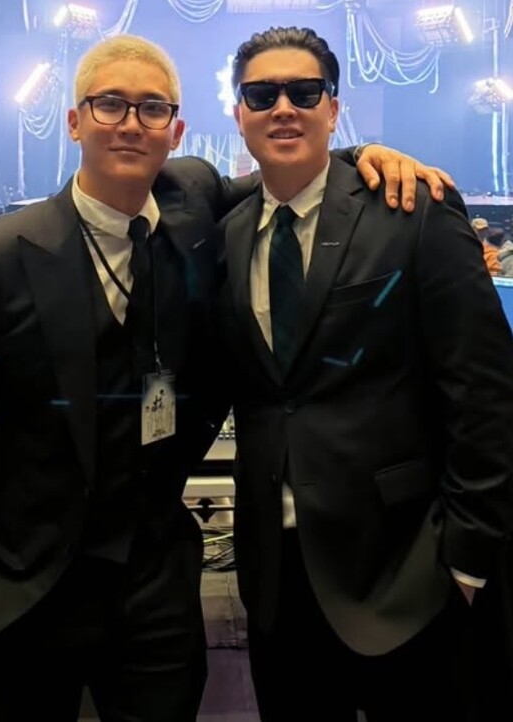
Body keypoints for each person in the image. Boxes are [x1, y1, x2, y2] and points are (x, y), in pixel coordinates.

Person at [0, 32, 451, 722]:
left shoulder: (195, 204)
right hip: (22, 582)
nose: (130, 123)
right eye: (109, 104)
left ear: (176, 131)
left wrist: (362, 153)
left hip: (156, 582)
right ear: (73, 121)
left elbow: (291, 164)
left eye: (152, 108)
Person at [217, 25, 513, 722]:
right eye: (262, 95)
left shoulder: (413, 209)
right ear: (238, 113)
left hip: (407, 572)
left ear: (333, 107)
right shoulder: (226, 228)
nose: (283, 108)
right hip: (277, 581)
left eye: (304, 92)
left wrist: (467, 560)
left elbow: (484, 391)